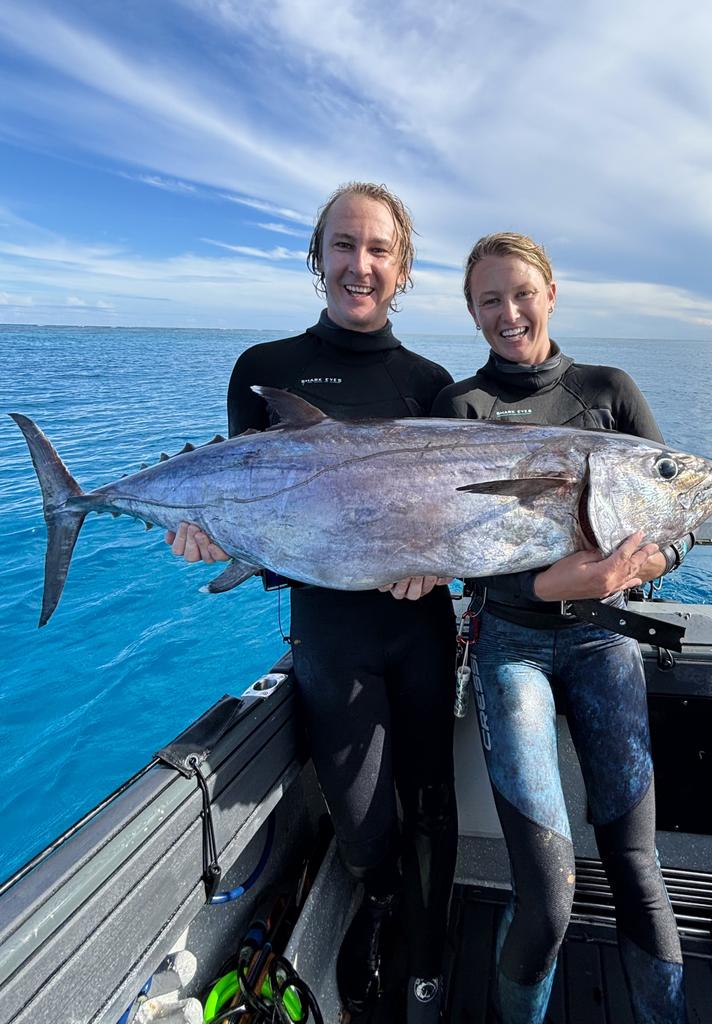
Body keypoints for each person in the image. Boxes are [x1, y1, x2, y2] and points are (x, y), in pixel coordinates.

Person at [167, 183, 458, 1023]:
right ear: (316, 255)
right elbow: (244, 499)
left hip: (418, 630)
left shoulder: (430, 383)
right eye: (342, 245)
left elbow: (449, 518)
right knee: (361, 810)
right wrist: (212, 535)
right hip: (328, 632)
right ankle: (375, 904)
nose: (358, 265)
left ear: (401, 268)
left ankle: (429, 937)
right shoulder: (264, 371)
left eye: (377, 250)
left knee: (431, 794)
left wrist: (438, 566)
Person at [432, 232, 692, 1024]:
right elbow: (451, 546)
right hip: (510, 646)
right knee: (546, 895)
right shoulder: (460, 408)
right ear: (472, 312)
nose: (509, 313)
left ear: (551, 292)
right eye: (488, 300)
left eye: (521, 293)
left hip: (604, 637)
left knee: (638, 870)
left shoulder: (607, 390)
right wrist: (545, 582)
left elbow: (678, 515)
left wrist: (637, 568)